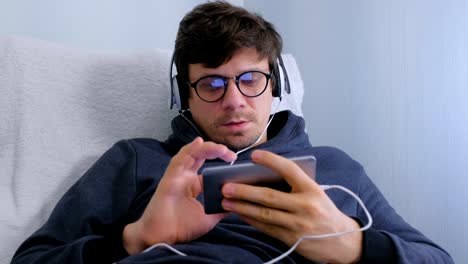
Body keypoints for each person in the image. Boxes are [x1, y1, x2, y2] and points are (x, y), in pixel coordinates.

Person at [12, 1, 453, 264]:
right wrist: (137, 239)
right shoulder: (136, 160)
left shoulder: (335, 167)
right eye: (212, 83)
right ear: (185, 94)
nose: (235, 100)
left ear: (274, 84)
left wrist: (354, 246)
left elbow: (438, 259)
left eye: (250, 79)